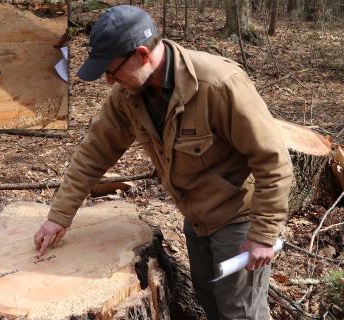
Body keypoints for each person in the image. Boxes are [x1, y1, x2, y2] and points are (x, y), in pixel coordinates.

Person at [34, 5, 293, 319]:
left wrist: (264, 235)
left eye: (112, 71)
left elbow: (273, 160)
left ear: (142, 54)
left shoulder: (218, 84)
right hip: (197, 219)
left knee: (240, 312)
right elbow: (93, 153)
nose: (108, 81)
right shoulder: (127, 95)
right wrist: (58, 216)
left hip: (240, 218)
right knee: (209, 300)